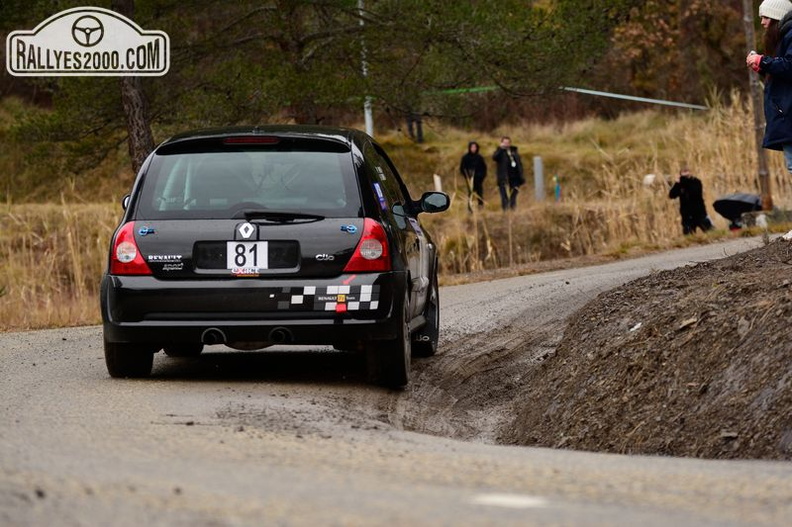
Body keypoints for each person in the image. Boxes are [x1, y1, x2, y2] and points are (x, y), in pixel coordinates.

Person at [746, 0, 792, 172]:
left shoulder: (790, 35)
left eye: (765, 17)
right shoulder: (785, 37)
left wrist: (763, 60)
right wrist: (763, 68)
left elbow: (789, 66)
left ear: (776, 17)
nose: (763, 22)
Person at [669, 168, 714, 235]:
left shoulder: (696, 182)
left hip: (699, 212)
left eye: (687, 172)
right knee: (688, 234)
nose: (685, 175)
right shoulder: (679, 184)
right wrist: (677, 184)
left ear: (690, 173)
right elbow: (672, 195)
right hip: (686, 214)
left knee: (711, 232)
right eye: (683, 173)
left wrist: (684, 182)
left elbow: (695, 193)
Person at [492, 136, 525, 210]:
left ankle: (513, 210)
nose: (506, 144)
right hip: (504, 178)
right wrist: (500, 149)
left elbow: (519, 164)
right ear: (501, 143)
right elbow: (494, 158)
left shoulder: (514, 152)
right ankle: (506, 211)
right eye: (504, 142)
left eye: (508, 143)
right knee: (504, 196)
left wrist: (521, 176)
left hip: (514, 178)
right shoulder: (499, 152)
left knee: (513, 196)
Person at [459, 141, 487, 210]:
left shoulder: (480, 157)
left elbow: (484, 168)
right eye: (472, 147)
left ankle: (480, 207)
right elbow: (462, 168)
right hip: (469, 179)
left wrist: (481, 176)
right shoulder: (465, 157)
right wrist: (467, 176)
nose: (473, 149)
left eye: (475, 147)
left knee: (480, 194)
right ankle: (470, 208)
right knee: (470, 194)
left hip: (479, 179)